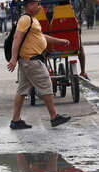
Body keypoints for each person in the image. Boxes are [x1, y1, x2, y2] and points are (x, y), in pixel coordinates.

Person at [7, 0, 71, 129]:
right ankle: (54, 117)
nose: (40, 7)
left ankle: (15, 120)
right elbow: (17, 38)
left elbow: (40, 36)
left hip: (28, 61)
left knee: (22, 91)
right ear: (30, 6)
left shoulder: (32, 19)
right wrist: (13, 59)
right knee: (46, 86)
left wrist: (59, 41)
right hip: (32, 61)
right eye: (37, 4)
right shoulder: (25, 19)